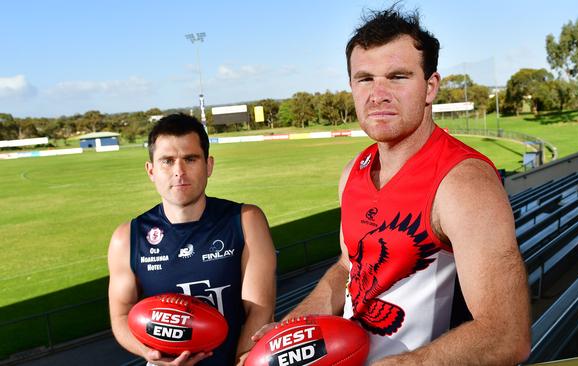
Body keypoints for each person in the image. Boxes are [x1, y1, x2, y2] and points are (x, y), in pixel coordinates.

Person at [253, 6, 531, 365]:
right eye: (365, 78)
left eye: (397, 77)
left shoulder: (463, 182)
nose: (378, 94)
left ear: (430, 87)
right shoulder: (354, 170)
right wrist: (292, 327)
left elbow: (507, 335)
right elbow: (347, 267)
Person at [108, 113, 276, 366]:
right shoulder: (127, 237)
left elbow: (260, 308)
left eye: (190, 159)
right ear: (151, 170)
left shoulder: (245, 220)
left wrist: (240, 361)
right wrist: (151, 354)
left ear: (208, 165)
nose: (179, 171)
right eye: (167, 161)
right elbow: (121, 315)